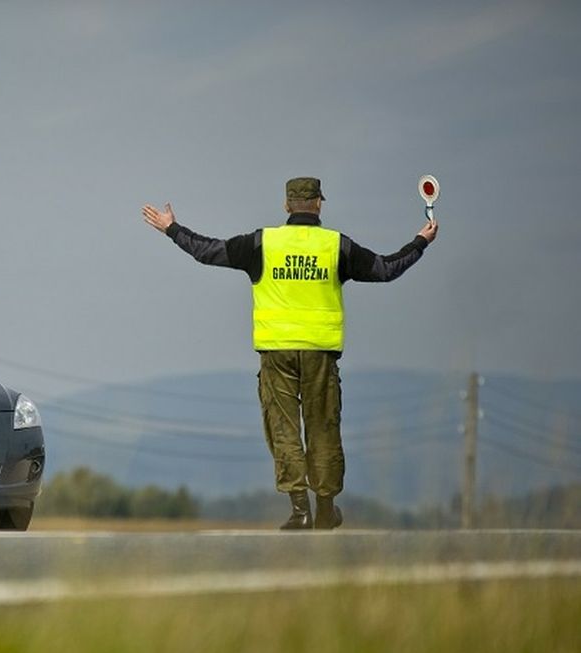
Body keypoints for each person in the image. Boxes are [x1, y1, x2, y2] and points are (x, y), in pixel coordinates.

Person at [142, 178, 438, 530]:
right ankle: (326, 507)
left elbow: (208, 251)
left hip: (276, 352)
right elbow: (385, 269)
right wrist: (421, 241)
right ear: (319, 205)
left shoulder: (262, 243)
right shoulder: (335, 246)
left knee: (283, 429)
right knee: (323, 428)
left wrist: (171, 228)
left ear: (286, 206)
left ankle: (300, 510)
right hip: (321, 354)